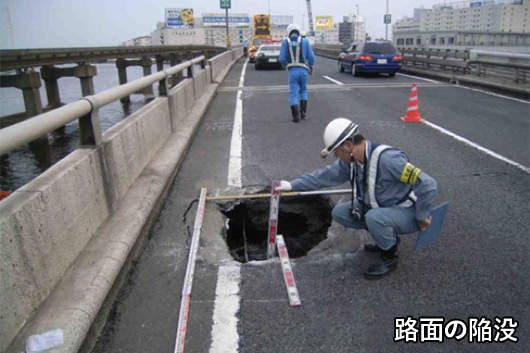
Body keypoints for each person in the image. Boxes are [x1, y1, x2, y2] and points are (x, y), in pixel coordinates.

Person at [275, 118, 438, 279]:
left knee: (374, 218)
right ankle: (386, 237)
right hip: (382, 210)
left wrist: (421, 217)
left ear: (347, 146)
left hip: (406, 211)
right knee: (340, 212)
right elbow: (324, 176)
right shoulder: (351, 162)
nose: (338, 157)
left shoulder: (388, 160)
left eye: (337, 152)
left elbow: (428, 184)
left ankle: (389, 257)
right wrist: (292, 185)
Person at [279, 24, 315, 123]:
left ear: (289, 32)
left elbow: (281, 58)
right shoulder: (305, 41)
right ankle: (303, 112)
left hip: (292, 71)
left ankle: (296, 117)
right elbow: (311, 57)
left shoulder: (285, 42)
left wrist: (285, 64)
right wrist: (311, 66)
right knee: (303, 90)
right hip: (303, 70)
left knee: (293, 93)